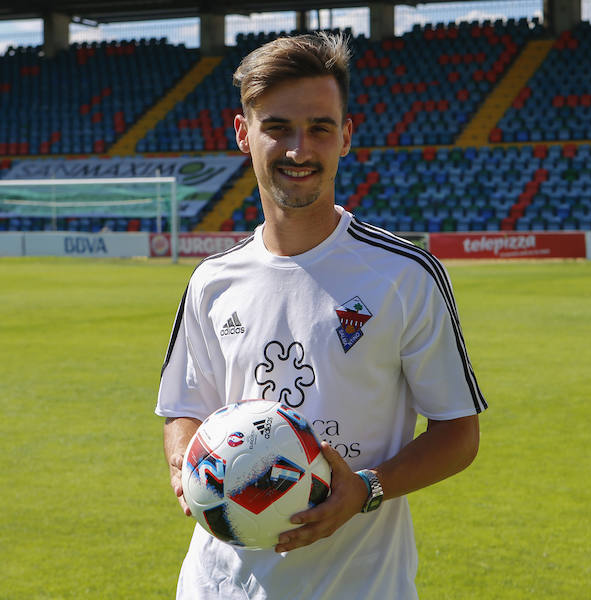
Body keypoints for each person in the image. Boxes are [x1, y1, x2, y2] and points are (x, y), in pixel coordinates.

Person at [156, 31, 487, 599]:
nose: (298, 150)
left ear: (346, 137)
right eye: (277, 127)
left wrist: (366, 488)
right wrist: (185, 463)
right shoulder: (212, 282)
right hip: (218, 586)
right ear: (243, 134)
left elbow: (458, 432)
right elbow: (184, 411)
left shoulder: (405, 275)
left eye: (319, 128)